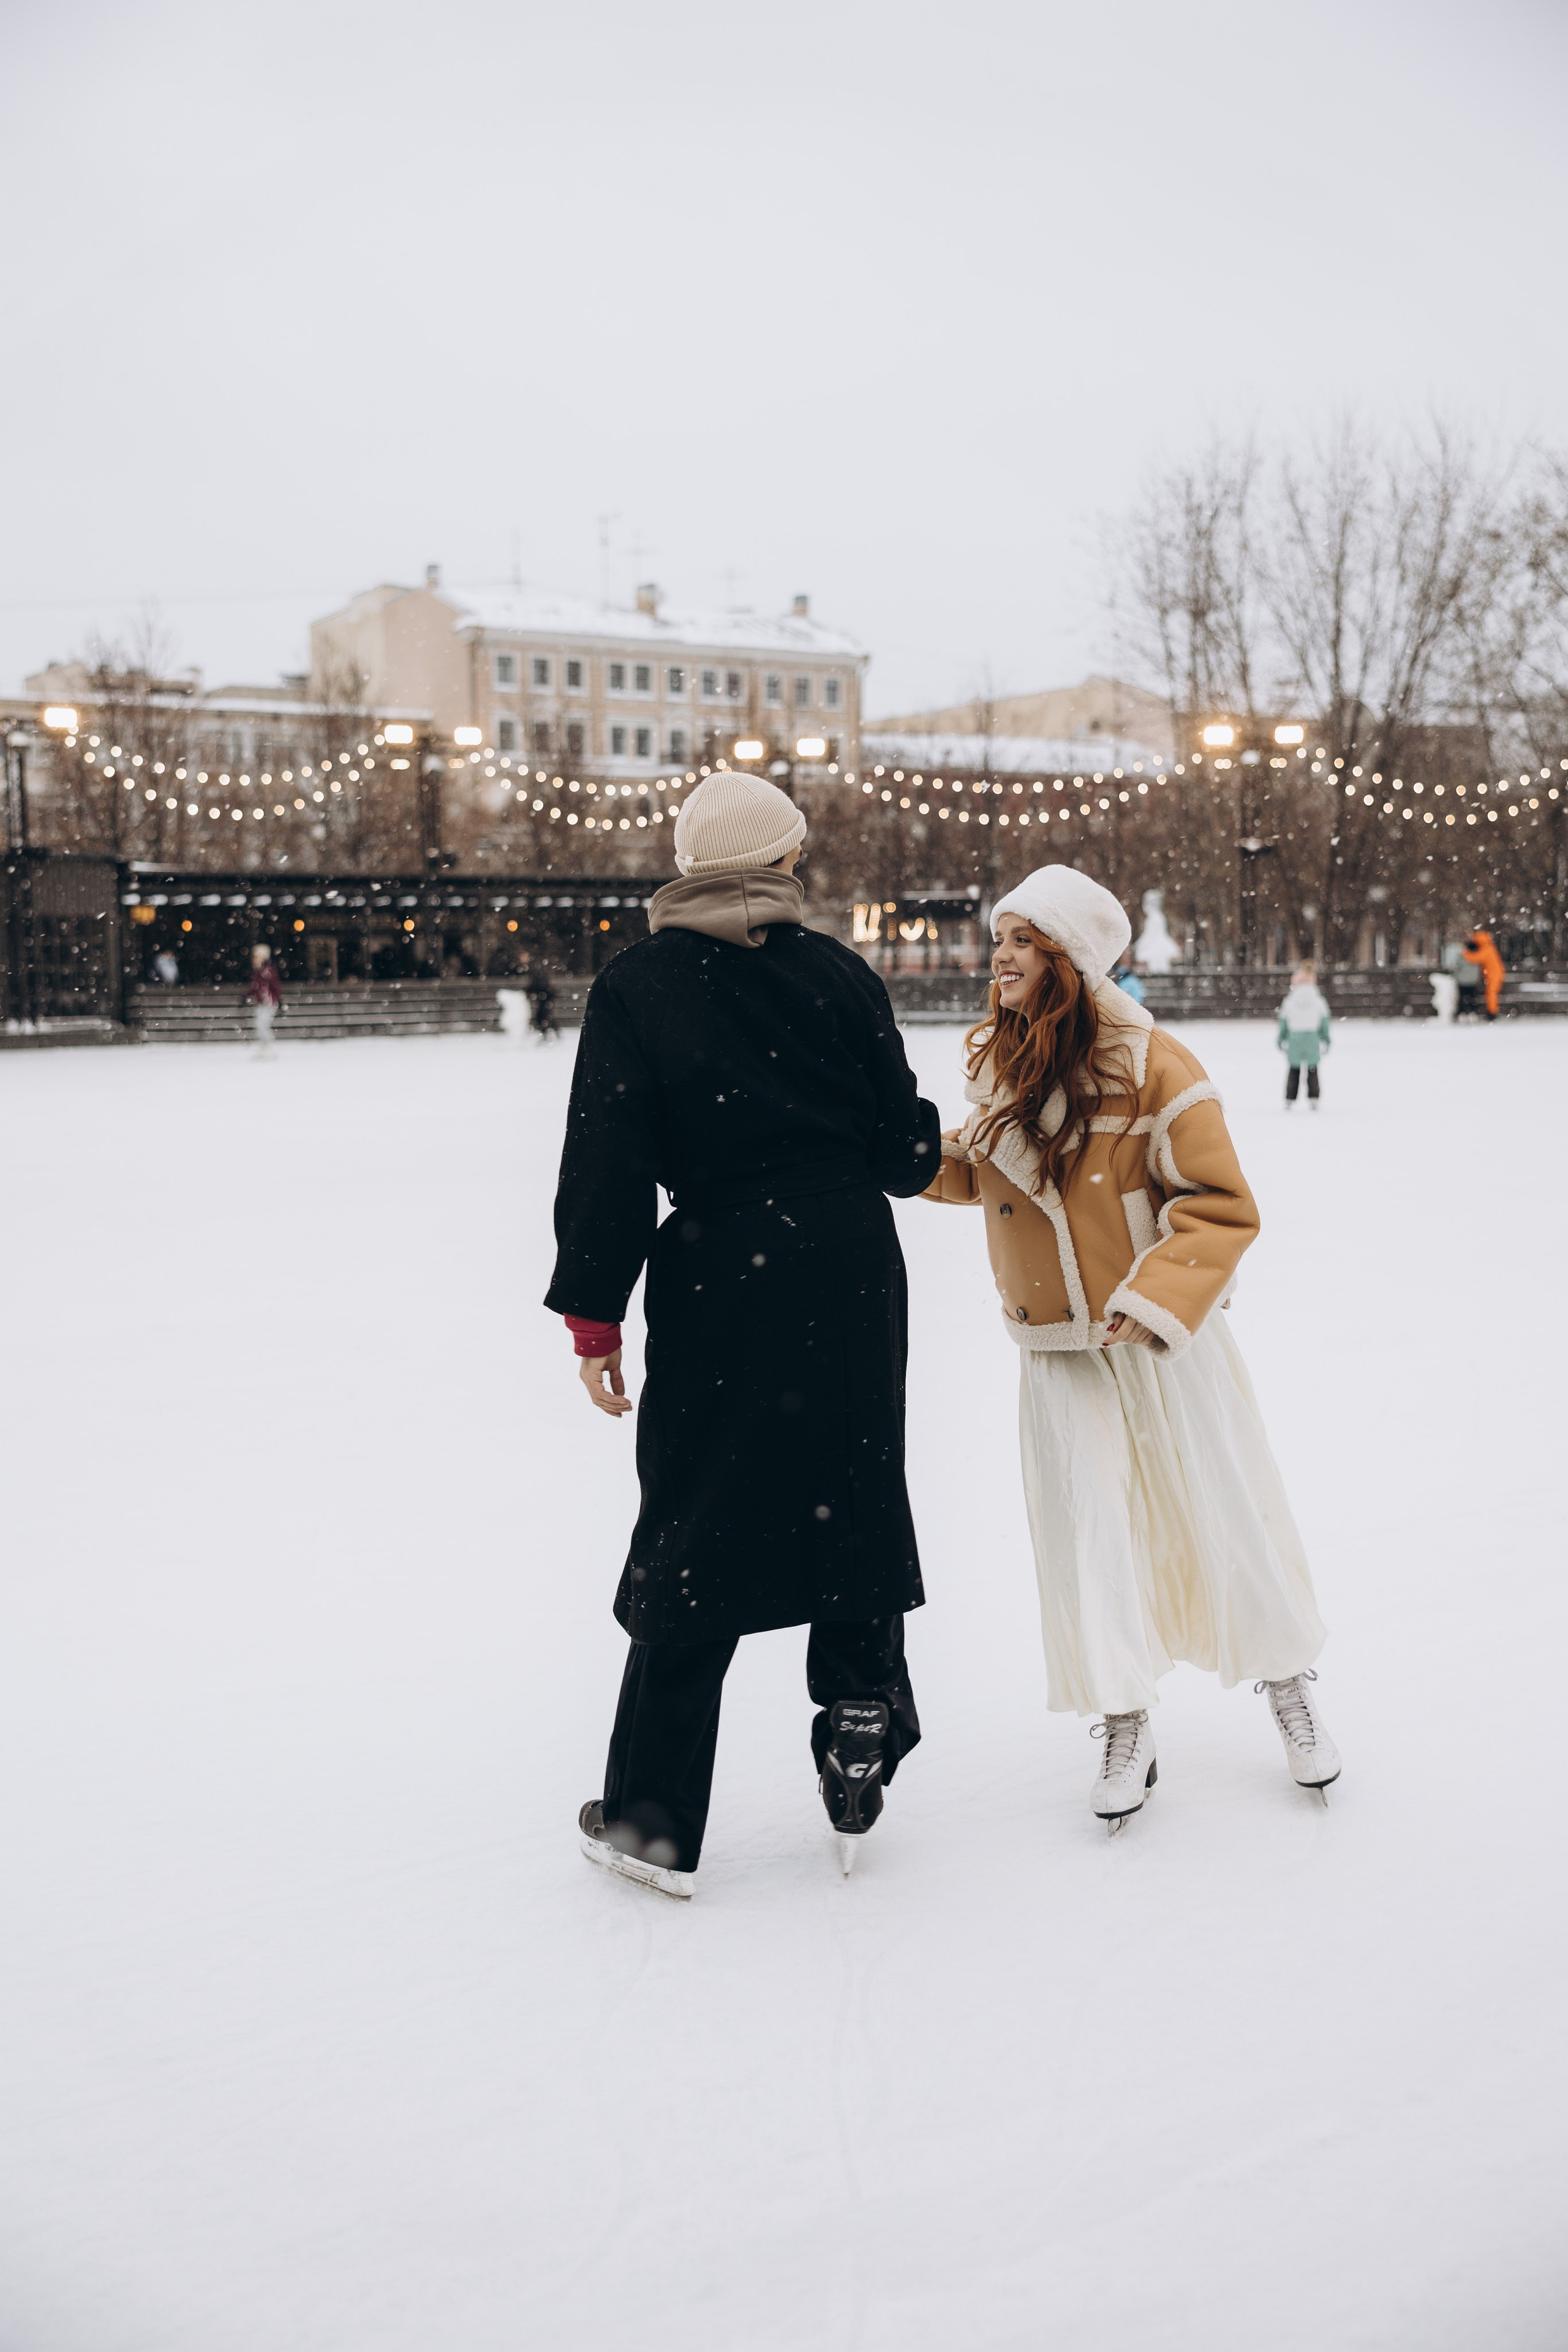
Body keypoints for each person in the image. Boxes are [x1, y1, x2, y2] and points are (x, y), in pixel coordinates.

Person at [545, 770, 941, 1898]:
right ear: (780, 859)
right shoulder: (840, 977)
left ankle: (654, 1822)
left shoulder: (642, 985)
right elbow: (902, 1153)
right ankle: (859, 1733)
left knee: (698, 1511)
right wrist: (897, 1133)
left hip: (721, 1272)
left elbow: (608, 1161)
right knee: (855, 1484)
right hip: (850, 1266)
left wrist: (594, 1314)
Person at [923, 864, 1338, 1831]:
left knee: (1224, 1509)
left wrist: (1156, 1299)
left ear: (1068, 956)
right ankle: (1124, 1715)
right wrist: (900, 1153)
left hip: (1160, 1340)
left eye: (1024, 940)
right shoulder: (998, 1064)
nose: (1003, 956)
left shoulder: (1158, 1063)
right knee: (1087, 1533)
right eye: (1001, 938)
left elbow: (1220, 1205)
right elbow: (983, 1173)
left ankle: (1288, 1682)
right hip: (1058, 1344)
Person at [1276, 963, 1331, 1106]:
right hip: (1312, 1037)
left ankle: (1290, 1097)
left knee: (1294, 1068)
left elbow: (1284, 1020)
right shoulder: (1318, 1000)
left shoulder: (1290, 1000)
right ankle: (1314, 1097)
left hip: (1295, 1037)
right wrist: (1325, 1037)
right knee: (1312, 1068)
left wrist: (1282, 1037)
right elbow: (1324, 1021)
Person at [246, 943, 283, 1057]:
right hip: (261, 1004)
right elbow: (255, 988)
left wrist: (280, 1001)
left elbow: (275, 986)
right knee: (259, 1025)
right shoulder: (257, 972)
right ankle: (264, 1046)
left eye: (256, 957)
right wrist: (247, 996)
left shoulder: (268, 971)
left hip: (270, 1003)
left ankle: (269, 1047)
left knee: (263, 1025)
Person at [1463, 927, 1505, 1020]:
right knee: (1491, 993)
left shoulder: (1487, 949)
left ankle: (1492, 1013)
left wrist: (1465, 953)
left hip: (1494, 975)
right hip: (1494, 974)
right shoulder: (1489, 947)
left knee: (1491, 993)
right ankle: (1492, 1012)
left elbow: (1475, 958)